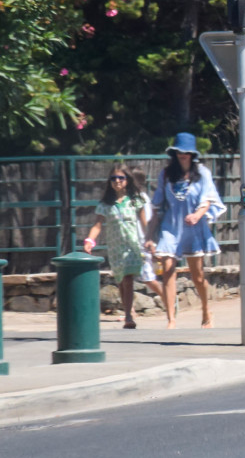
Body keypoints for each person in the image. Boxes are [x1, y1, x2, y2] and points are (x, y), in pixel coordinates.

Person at [146, 133, 225, 329]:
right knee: (167, 271)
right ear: (174, 153)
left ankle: (206, 309)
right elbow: (157, 207)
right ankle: (171, 318)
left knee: (197, 276)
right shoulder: (166, 174)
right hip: (170, 228)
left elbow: (208, 200)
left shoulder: (203, 173)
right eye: (179, 151)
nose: (183, 155)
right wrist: (149, 236)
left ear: (193, 154)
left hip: (193, 229)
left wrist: (197, 215)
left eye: (187, 152)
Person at [84, 164, 149, 329]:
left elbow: (144, 223)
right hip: (115, 247)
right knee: (121, 280)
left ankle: (128, 315)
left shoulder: (135, 201)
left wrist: (150, 240)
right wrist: (90, 241)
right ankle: (128, 311)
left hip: (132, 246)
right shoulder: (106, 204)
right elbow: (98, 225)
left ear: (127, 180)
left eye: (121, 178)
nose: (117, 181)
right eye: (114, 178)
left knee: (128, 279)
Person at [131, 166, 164, 302]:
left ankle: (168, 298)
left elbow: (147, 222)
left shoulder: (142, 199)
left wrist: (149, 241)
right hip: (128, 243)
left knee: (148, 278)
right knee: (125, 278)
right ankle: (130, 312)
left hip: (141, 243)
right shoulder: (125, 199)